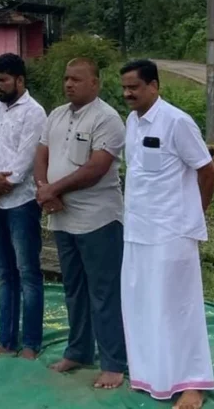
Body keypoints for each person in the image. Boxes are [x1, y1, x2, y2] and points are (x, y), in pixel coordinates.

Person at [120, 59, 214, 409]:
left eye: (134, 87)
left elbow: (207, 170)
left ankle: (192, 383)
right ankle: (152, 376)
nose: (128, 93)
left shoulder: (177, 121)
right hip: (137, 231)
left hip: (172, 232)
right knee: (143, 305)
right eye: (124, 88)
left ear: (154, 86)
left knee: (179, 308)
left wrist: (195, 213)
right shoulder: (131, 122)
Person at [33, 57, 127, 389]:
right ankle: (79, 351)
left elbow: (96, 168)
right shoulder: (56, 115)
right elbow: (41, 155)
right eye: (66, 78)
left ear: (95, 83)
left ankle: (113, 363)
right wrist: (44, 189)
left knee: (104, 292)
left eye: (76, 79)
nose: (69, 84)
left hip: (98, 219)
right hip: (62, 218)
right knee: (73, 290)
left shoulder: (107, 119)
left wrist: (52, 190)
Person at [0, 53, 47, 360]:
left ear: (20, 80)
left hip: (21, 204)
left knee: (28, 273)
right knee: (4, 274)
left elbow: (23, 165)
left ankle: (31, 343)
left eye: (3, 80)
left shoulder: (35, 113)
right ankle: (6, 339)